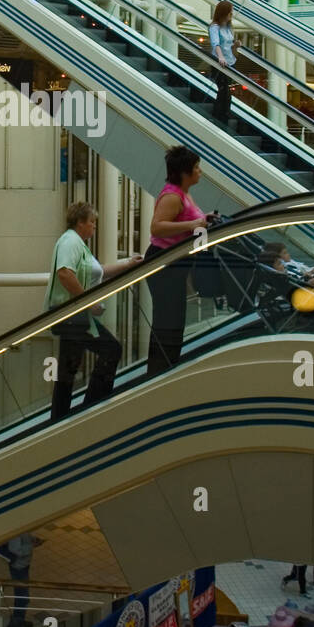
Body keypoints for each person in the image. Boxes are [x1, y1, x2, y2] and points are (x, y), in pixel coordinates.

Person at [44, 201, 141, 422]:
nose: (94, 227)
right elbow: (65, 273)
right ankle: (92, 408)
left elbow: (100, 272)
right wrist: (89, 302)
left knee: (68, 371)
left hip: (72, 315)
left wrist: (127, 264)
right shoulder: (70, 242)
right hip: (73, 315)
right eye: (92, 222)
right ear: (80, 223)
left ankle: (59, 420)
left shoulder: (77, 244)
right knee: (112, 349)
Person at [143, 146, 212, 379]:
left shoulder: (183, 193)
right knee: (167, 322)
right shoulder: (172, 196)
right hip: (164, 263)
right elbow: (157, 226)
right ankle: (158, 374)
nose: (200, 171)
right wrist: (192, 225)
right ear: (184, 172)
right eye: (195, 168)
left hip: (176, 266)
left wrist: (203, 220)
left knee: (173, 321)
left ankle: (165, 371)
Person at [0, 533, 43, 627]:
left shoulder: (22, 526)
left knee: (22, 596)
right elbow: (16, 550)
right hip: (18, 567)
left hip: (23, 565)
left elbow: (26, 535)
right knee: (22, 598)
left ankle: (19, 620)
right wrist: (32, 545)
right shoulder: (16, 534)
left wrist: (34, 539)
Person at [208, 0, 237, 124]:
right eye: (230, 12)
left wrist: (235, 46)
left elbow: (230, 46)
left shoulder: (228, 28)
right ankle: (219, 116)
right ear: (224, 13)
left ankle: (224, 115)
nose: (231, 15)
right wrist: (220, 57)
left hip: (230, 62)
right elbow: (216, 43)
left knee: (227, 90)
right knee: (223, 89)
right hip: (220, 63)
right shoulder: (215, 27)